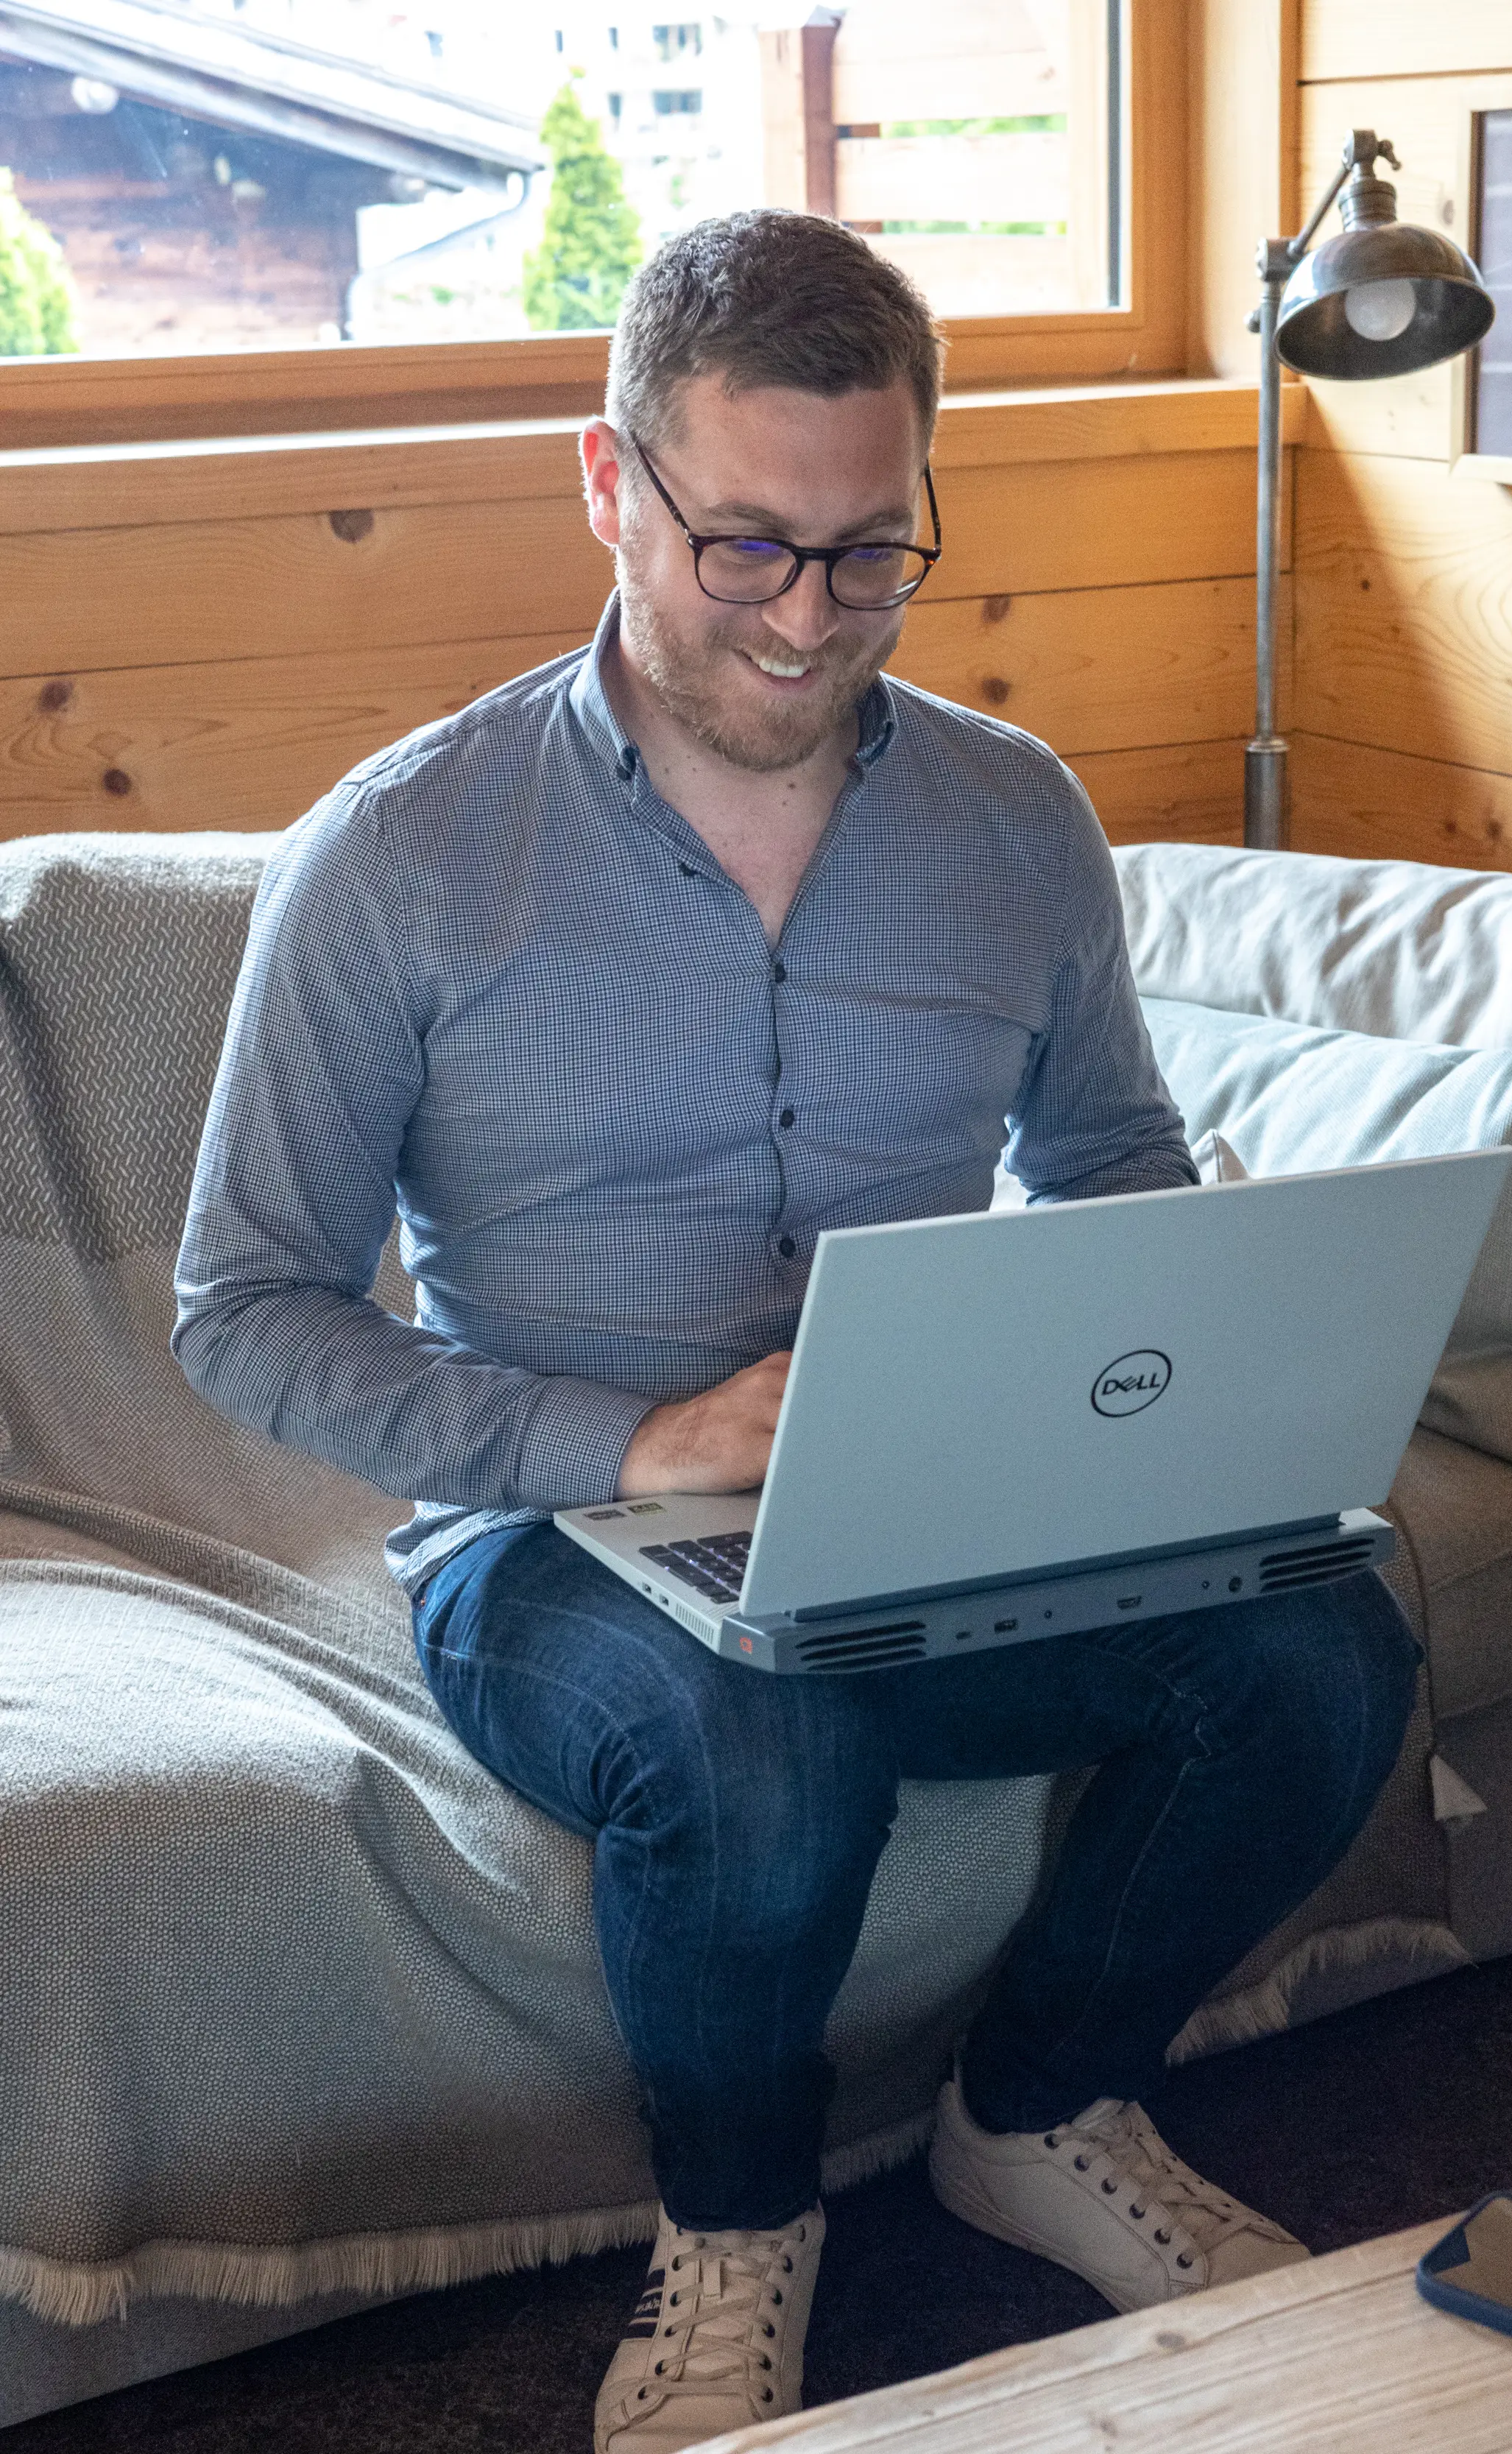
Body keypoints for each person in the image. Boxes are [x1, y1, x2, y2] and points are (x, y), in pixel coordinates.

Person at [174, 209, 1420, 2454]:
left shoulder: (1007, 817)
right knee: (770, 1732)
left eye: (870, 556)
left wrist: (1197, 1337)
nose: (805, 616)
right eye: (743, 547)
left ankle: (1037, 2107)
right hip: (555, 1540)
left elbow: (1114, 1158)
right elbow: (244, 1309)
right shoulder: (406, 852)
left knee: (1326, 1637)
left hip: (952, 1499)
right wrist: (631, 1439)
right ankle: (737, 2230)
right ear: (607, 480)